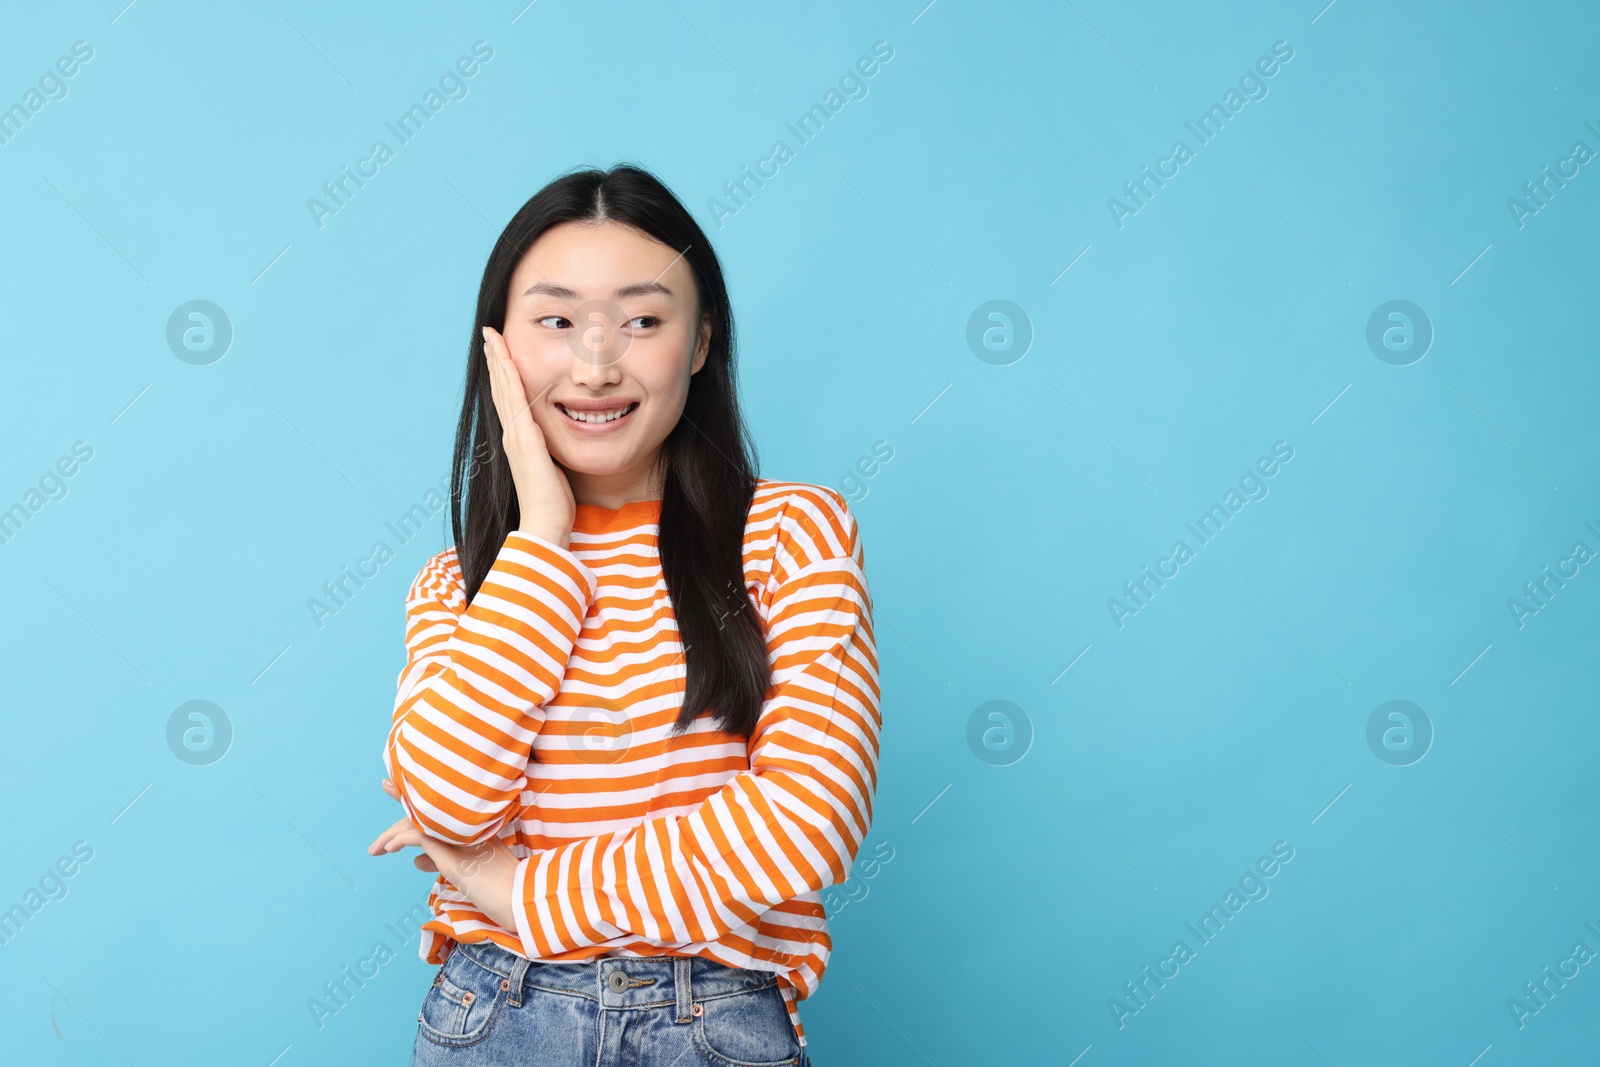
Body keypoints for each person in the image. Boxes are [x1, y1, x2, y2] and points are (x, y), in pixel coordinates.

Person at [366, 163, 881, 1066]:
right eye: (557, 321)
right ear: (499, 348)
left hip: (712, 1021)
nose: (597, 364)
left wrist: (516, 889)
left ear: (699, 342)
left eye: (643, 320)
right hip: (494, 1015)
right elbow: (445, 796)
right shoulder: (459, 586)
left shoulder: (792, 535)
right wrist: (542, 538)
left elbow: (804, 821)